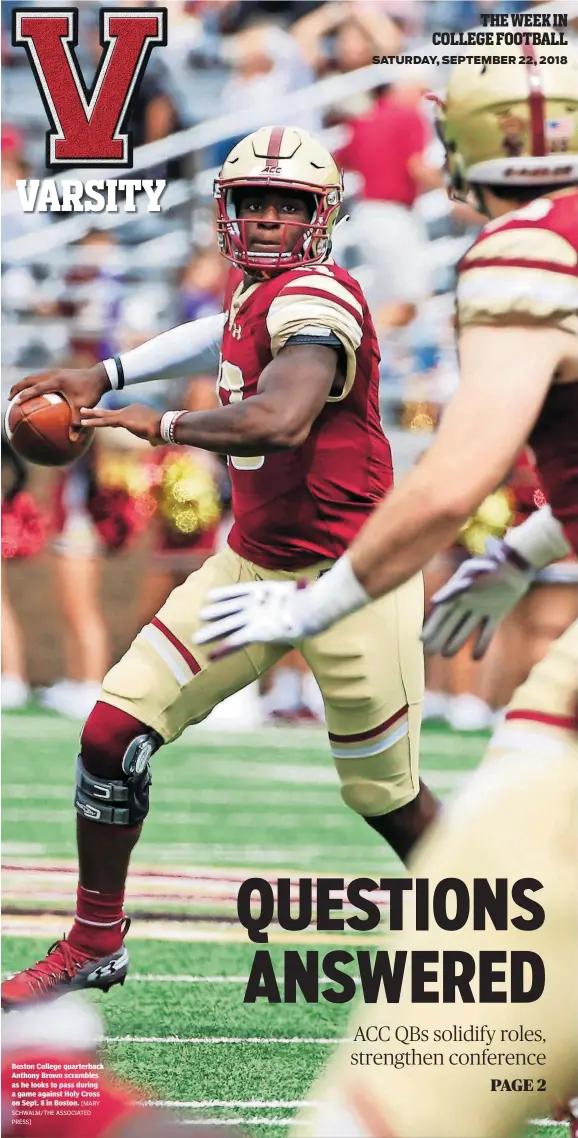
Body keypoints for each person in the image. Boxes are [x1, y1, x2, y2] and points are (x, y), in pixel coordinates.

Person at [194, 52, 578, 1137]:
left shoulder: (526, 250)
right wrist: (527, 547)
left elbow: (449, 479)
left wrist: (308, 608)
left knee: (496, 879)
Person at [2, 125, 437, 1010]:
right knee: (108, 737)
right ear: (226, 212)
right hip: (253, 565)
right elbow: (224, 334)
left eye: (287, 205)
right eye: (252, 202)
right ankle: (94, 941)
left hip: (351, 578)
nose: (269, 219)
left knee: (388, 800)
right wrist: (108, 369)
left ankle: (542, 986)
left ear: (320, 218)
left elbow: (279, 417)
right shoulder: (259, 297)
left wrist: (154, 422)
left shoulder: (318, 303)